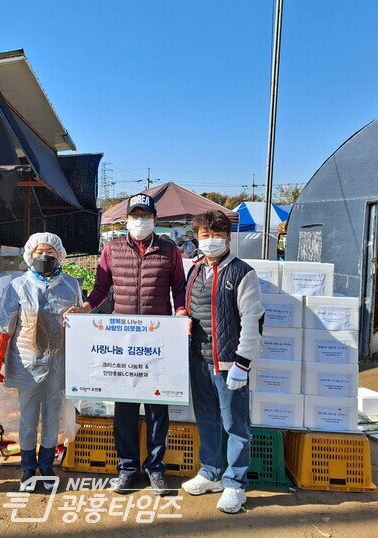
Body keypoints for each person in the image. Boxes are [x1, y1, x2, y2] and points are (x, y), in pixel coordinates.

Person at [64, 193, 186, 496]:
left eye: (145, 216)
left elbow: (179, 290)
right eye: (135, 215)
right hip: (124, 342)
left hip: (158, 341)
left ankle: (155, 469)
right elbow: (101, 289)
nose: (140, 221)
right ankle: (128, 467)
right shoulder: (112, 249)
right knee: (125, 409)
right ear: (126, 219)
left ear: (155, 220)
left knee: (158, 409)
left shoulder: (170, 251)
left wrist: (182, 312)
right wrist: (84, 309)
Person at [177, 210, 264, 514]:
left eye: (217, 234)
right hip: (198, 358)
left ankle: (235, 484)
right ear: (197, 238)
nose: (211, 240)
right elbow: (189, 307)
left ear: (228, 237)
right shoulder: (195, 270)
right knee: (208, 420)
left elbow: (253, 318)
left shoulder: (242, 272)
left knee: (235, 424)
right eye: (205, 235)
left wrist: (243, 362)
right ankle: (210, 472)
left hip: (228, 362)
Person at [0, 233, 82, 492]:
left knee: (53, 416)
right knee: (28, 417)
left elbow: (81, 322)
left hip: (59, 362)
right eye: (39, 252)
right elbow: (4, 324)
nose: (45, 257)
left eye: (50, 252)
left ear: (59, 255)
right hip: (26, 361)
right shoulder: (18, 285)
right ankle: (28, 467)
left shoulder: (71, 285)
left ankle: (46, 465)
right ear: (30, 254)